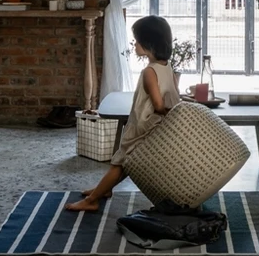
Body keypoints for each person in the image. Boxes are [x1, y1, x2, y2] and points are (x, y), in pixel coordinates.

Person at [66, 15, 181, 212]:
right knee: (125, 163)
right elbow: (172, 96)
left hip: (143, 128)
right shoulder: (167, 67)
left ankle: (92, 200)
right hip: (156, 127)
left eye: (137, 40)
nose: (134, 44)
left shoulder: (149, 72)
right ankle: (104, 190)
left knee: (119, 163)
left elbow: (158, 105)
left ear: (148, 44)